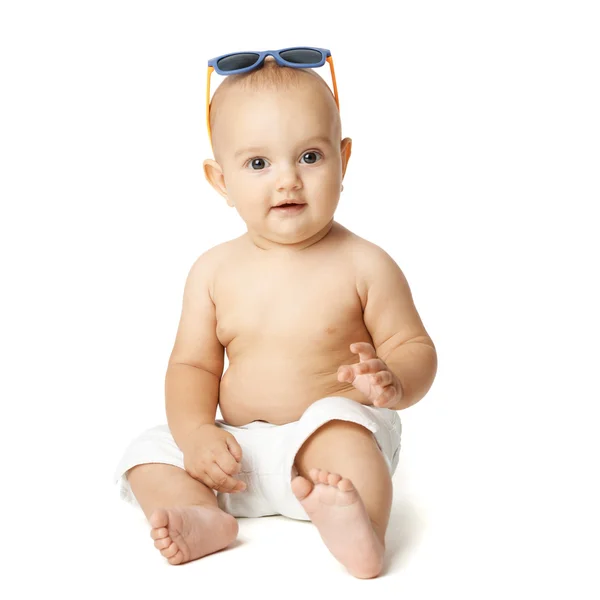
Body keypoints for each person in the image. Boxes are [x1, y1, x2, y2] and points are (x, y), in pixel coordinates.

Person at [114, 47, 437, 579]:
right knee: (147, 452)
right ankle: (201, 515)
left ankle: (359, 528)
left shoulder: (365, 264)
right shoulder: (212, 271)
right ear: (221, 181)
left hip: (330, 442)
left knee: (344, 431)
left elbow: (413, 347)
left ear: (343, 158)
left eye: (310, 157)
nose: (287, 179)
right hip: (234, 455)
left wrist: (394, 381)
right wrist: (195, 434)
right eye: (259, 163)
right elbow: (193, 366)